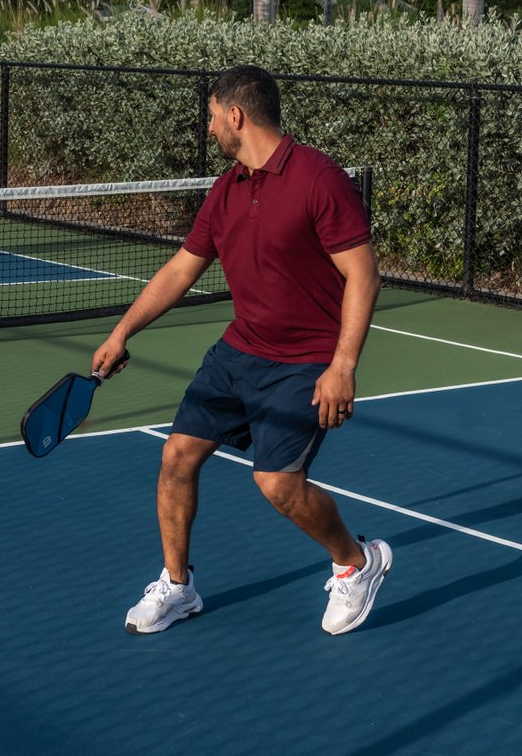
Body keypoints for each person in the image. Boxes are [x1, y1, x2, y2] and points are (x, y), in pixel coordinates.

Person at [91, 63, 389, 637]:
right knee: (176, 457)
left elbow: (363, 274)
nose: (209, 129)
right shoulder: (226, 190)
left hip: (304, 360)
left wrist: (342, 366)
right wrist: (122, 331)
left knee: (277, 483)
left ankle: (356, 561)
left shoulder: (319, 179)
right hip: (239, 351)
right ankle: (178, 586)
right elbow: (181, 268)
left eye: (211, 117)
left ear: (235, 115)